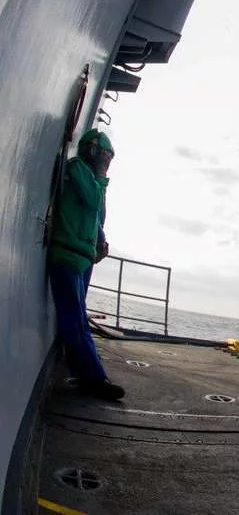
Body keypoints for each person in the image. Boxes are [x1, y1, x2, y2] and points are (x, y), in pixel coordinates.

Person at [47, 128, 124, 401]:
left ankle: (83, 372)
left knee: (78, 316)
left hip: (81, 255)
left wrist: (100, 240)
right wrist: (102, 177)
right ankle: (94, 379)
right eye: (104, 156)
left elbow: (97, 215)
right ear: (91, 150)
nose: (106, 162)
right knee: (76, 319)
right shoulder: (77, 167)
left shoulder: (90, 177)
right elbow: (92, 200)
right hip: (67, 254)